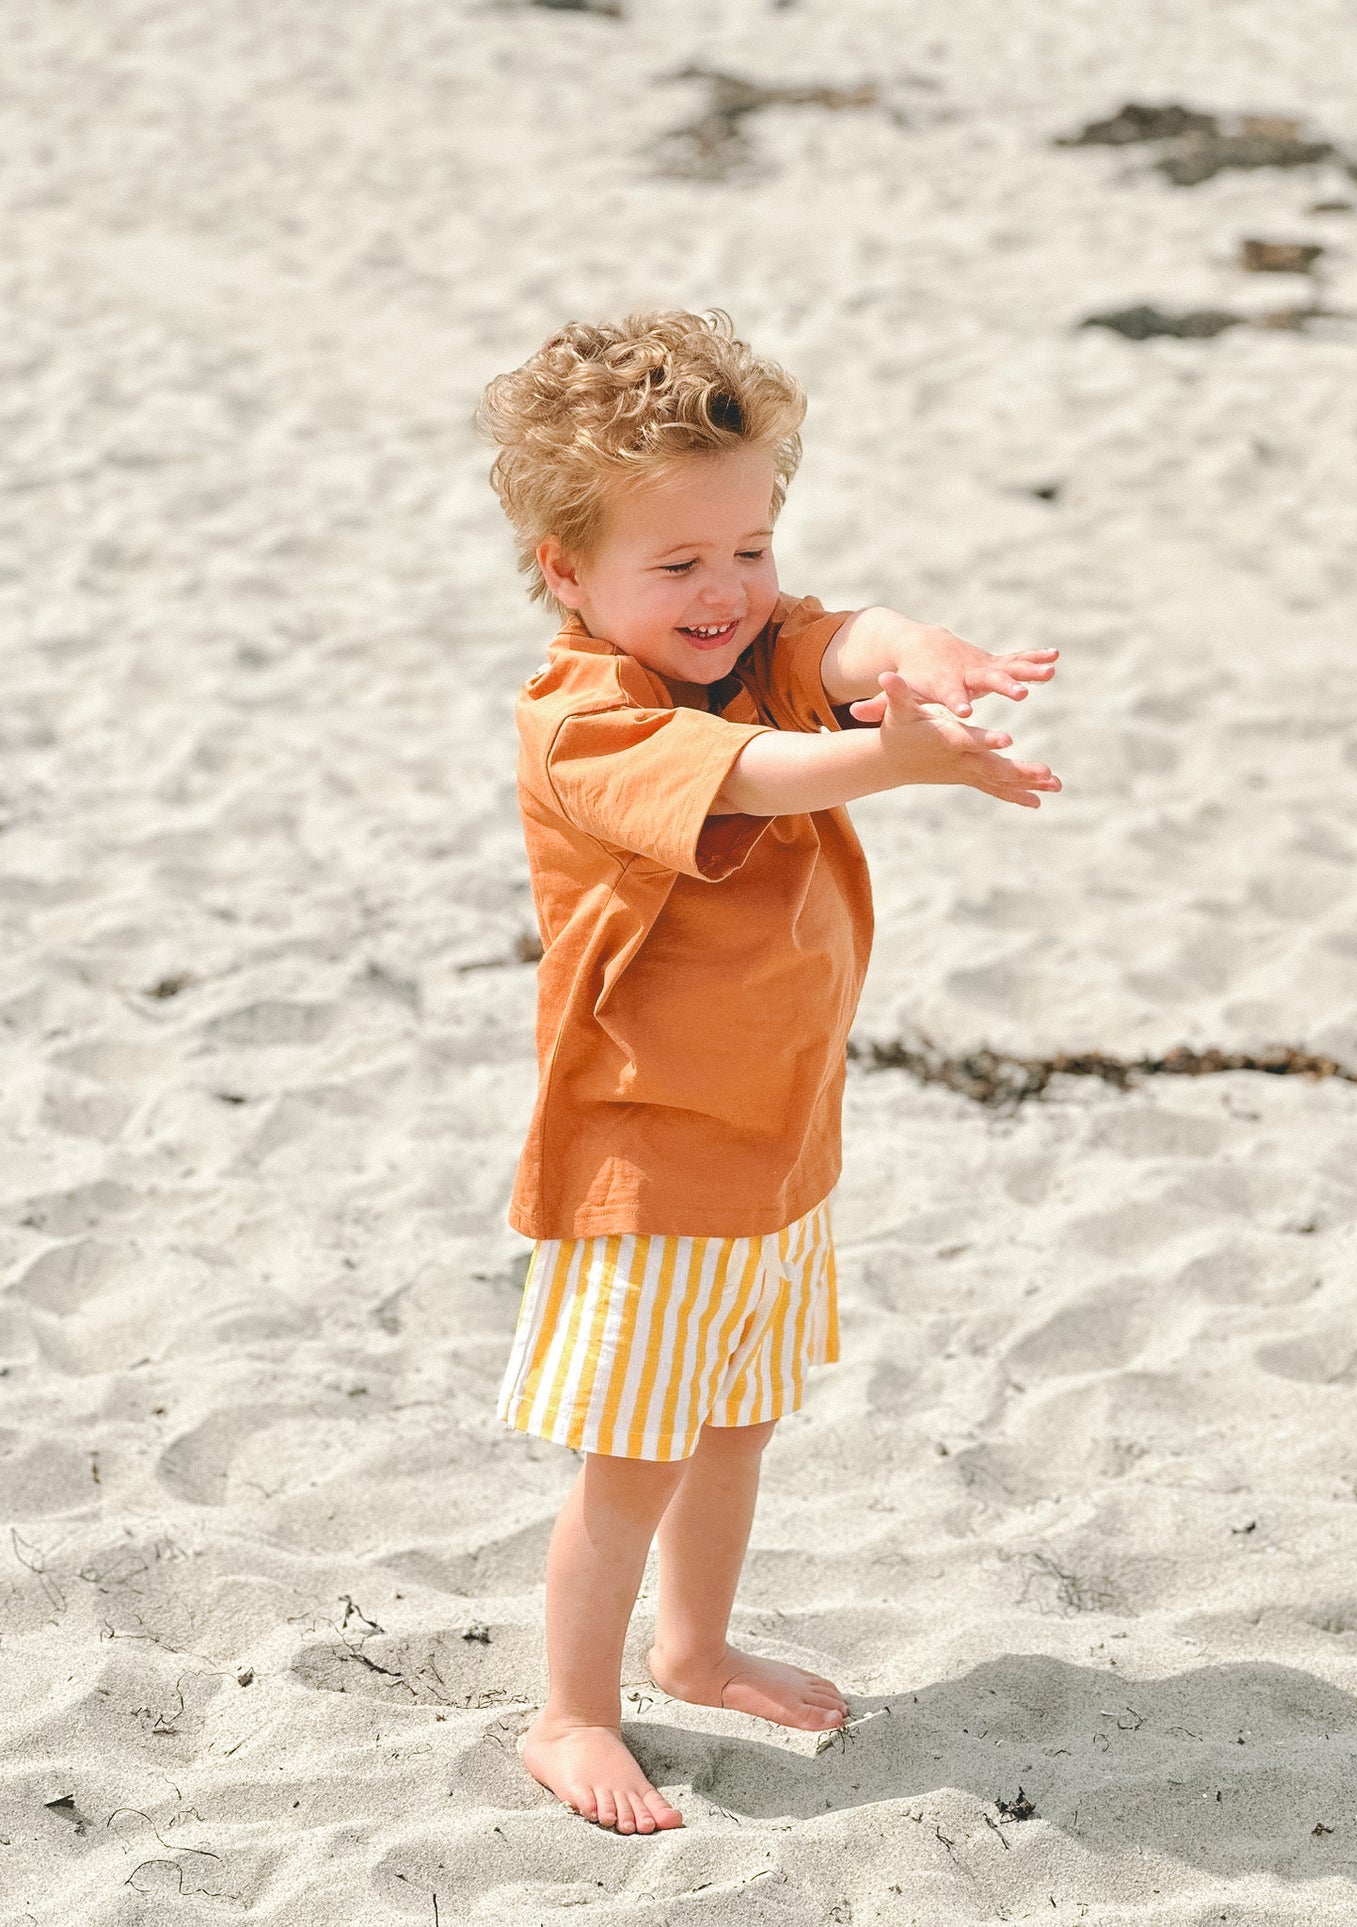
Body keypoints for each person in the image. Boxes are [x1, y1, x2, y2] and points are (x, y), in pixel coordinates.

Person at [475, 309, 1060, 1835]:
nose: (726, 592)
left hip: (778, 1149)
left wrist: (914, 657)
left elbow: (832, 642)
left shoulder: (751, 646)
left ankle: (696, 1642)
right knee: (632, 1457)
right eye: (676, 567)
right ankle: (571, 1712)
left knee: (735, 1424)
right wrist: (892, 760)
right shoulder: (584, 721)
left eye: (751, 545)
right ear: (567, 571)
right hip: (653, 1166)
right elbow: (745, 781)